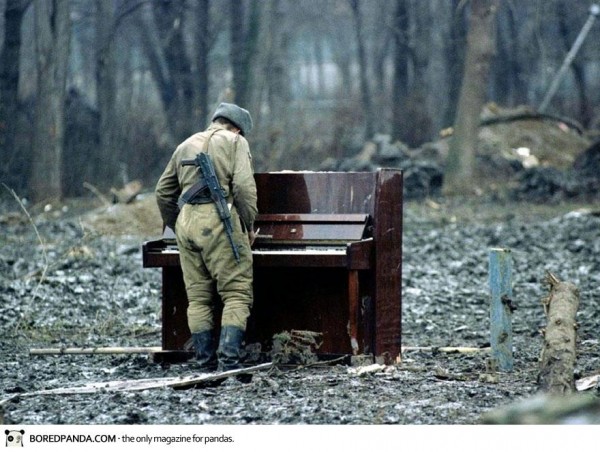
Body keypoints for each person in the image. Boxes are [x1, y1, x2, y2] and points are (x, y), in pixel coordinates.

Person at [155, 102, 257, 374]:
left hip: (187, 223)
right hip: (220, 221)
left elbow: (163, 193)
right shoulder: (236, 142)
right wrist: (248, 226)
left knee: (198, 299)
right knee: (236, 293)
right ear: (237, 128)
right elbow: (244, 189)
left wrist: (178, 225)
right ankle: (229, 363)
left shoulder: (185, 144)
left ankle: (204, 364)